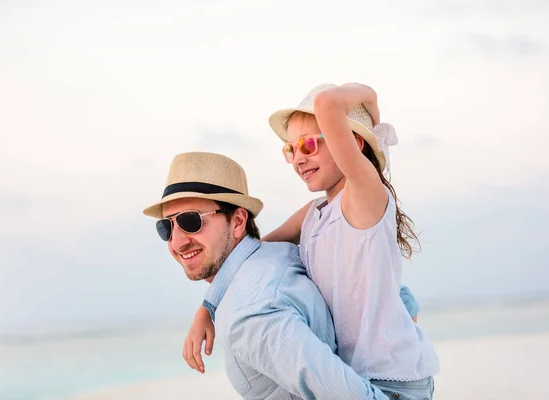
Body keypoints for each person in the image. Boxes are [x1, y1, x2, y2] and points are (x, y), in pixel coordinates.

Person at [184, 83, 439, 399]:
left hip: (392, 383)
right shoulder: (317, 212)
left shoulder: (364, 194)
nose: (297, 160)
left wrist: (369, 97)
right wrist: (207, 308)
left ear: (353, 142)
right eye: (290, 150)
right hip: (355, 377)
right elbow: (253, 253)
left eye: (308, 145)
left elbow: (327, 103)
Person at [143, 151, 401, 399]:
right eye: (166, 227)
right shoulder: (278, 253)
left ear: (237, 221)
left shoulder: (250, 313)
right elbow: (378, 283)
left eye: (191, 221)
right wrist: (207, 307)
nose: (177, 242)